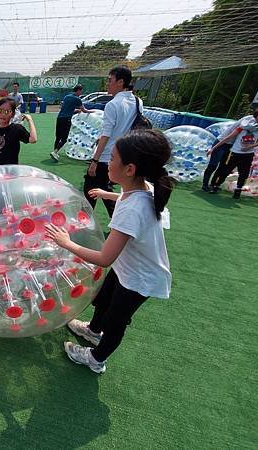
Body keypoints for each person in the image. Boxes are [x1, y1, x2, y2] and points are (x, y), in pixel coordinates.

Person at [45, 129, 174, 374]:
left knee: (116, 323)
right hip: (127, 269)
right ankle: (93, 331)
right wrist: (108, 194)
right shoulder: (141, 188)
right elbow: (131, 197)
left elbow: (104, 258)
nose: (108, 163)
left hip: (139, 280)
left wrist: (66, 242)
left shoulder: (131, 210)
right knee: (103, 299)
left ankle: (96, 359)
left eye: (112, 158)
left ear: (130, 169)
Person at [85, 66, 141, 218]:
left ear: (121, 82)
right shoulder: (137, 101)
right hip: (123, 154)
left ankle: (86, 223)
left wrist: (94, 161)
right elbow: (127, 127)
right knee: (105, 188)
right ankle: (116, 219)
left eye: (110, 80)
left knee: (91, 191)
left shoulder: (113, 104)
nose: (107, 84)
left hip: (106, 156)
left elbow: (106, 135)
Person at [208, 107, 258, 198]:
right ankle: (215, 186)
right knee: (225, 170)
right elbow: (228, 137)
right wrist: (213, 148)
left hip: (248, 155)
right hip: (235, 153)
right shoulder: (244, 125)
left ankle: (238, 191)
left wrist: (250, 146)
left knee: (244, 173)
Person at [50, 84, 91, 161]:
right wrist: (92, 111)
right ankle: (55, 152)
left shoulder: (67, 97)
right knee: (64, 138)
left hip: (59, 118)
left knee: (58, 137)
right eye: (81, 91)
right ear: (78, 90)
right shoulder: (77, 99)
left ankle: (55, 152)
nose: (81, 93)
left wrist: (75, 110)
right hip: (67, 119)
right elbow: (84, 110)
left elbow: (66, 108)